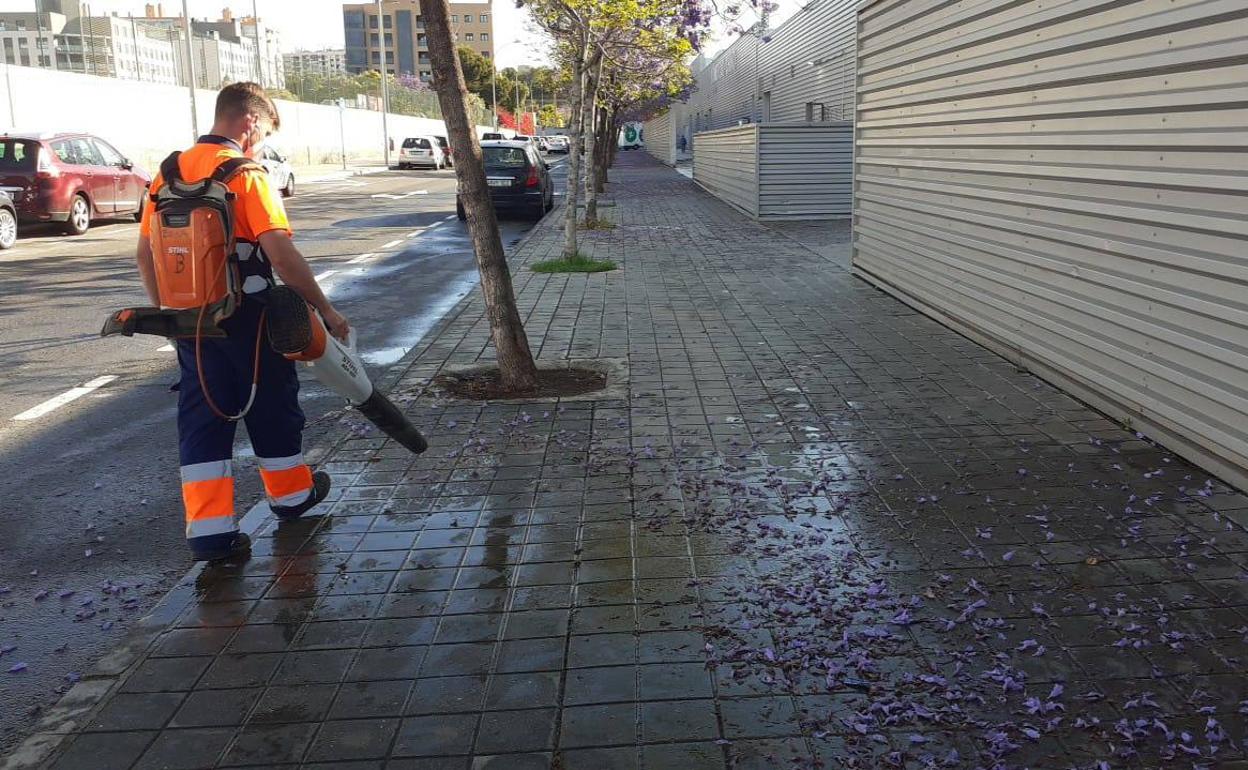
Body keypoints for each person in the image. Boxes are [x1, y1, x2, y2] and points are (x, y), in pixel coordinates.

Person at [136, 82, 351, 562]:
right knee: (272, 404)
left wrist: (177, 315)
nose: (261, 143)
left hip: (194, 324)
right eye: (265, 132)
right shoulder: (246, 174)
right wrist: (325, 310)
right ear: (249, 122)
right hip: (248, 320)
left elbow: (145, 255)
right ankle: (293, 497)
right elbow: (282, 255)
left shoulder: (167, 174)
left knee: (202, 418)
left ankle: (210, 535)